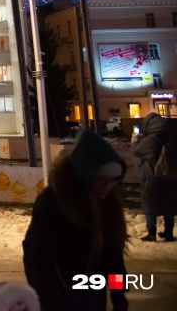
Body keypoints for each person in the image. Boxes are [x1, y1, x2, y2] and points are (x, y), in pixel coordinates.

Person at [23, 129, 129, 311]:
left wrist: (119, 295)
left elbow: (113, 255)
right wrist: (49, 302)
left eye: (114, 180)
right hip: (61, 292)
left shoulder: (107, 201)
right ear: (85, 175)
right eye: (101, 180)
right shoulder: (53, 202)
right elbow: (40, 260)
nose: (108, 187)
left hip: (93, 290)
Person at [131, 112, 177, 242]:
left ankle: (151, 233)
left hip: (153, 178)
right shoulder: (172, 137)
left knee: (150, 204)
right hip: (171, 176)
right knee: (169, 204)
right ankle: (168, 232)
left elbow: (136, 151)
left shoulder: (150, 139)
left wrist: (134, 140)